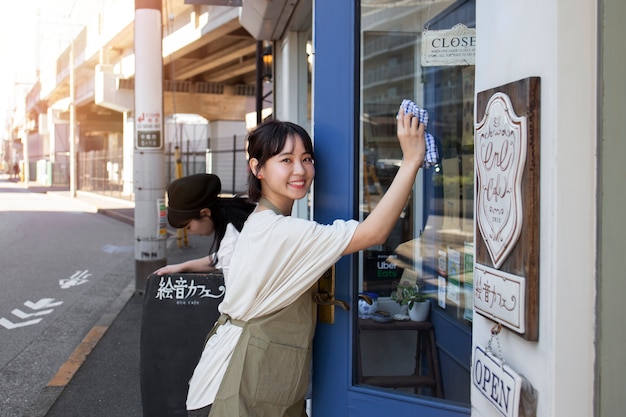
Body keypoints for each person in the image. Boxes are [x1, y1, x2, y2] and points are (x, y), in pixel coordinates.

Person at [186, 102, 426, 417]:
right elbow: (374, 233)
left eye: (306, 159)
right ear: (258, 168)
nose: (300, 170)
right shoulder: (280, 231)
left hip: (234, 378)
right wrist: (410, 161)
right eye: (286, 160)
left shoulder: (260, 221)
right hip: (231, 387)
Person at [153, 173, 256, 277]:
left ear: (205, 213)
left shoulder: (231, 240)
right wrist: (182, 267)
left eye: (188, 227)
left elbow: (235, 288)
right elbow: (220, 258)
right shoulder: (239, 207)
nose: (190, 233)